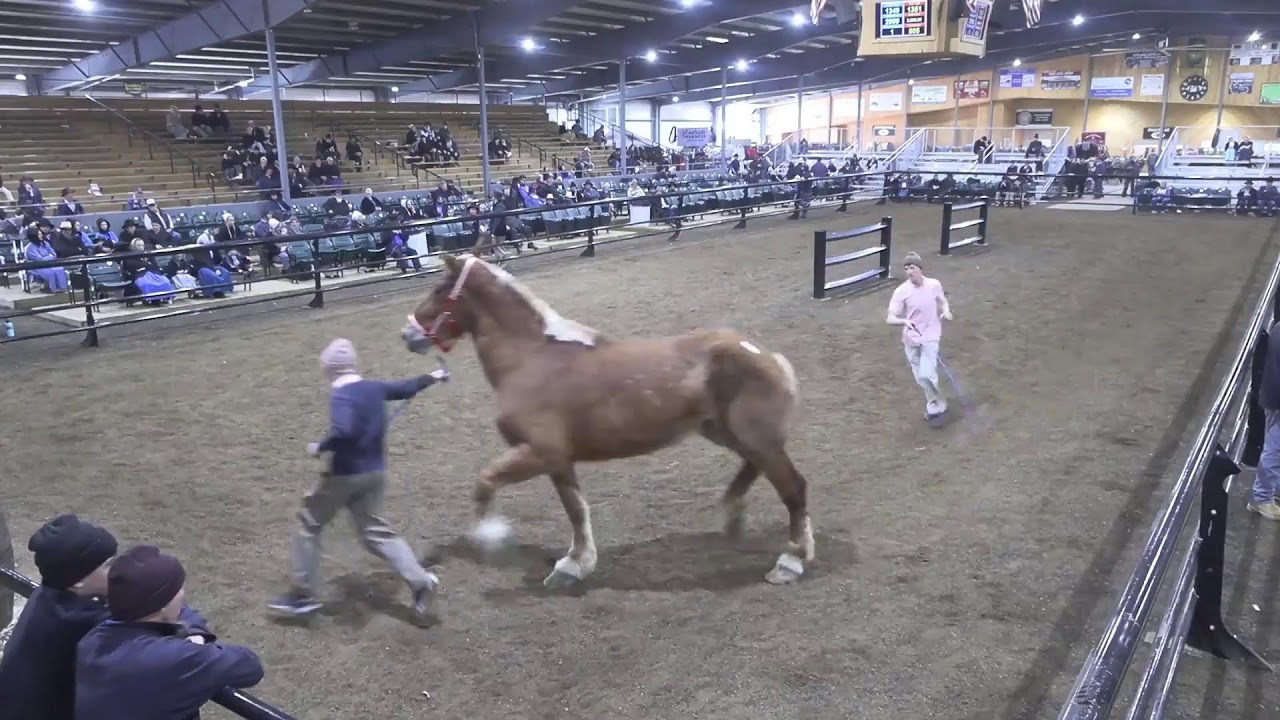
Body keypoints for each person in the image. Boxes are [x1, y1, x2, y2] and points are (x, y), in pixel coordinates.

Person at [267, 338, 449, 617]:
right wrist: (434, 376)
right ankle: (422, 582)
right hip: (375, 474)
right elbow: (406, 387)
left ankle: (303, 595)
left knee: (309, 525)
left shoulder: (341, 395)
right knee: (374, 532)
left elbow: (344, 431)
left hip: (344, 475)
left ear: (331, 370)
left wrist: (320, 447)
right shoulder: (373, 388)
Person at [75, 545, 263, 720]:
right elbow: (249, 666)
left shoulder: (91, 640)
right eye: (178, 590)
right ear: (163, 607)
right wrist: (193, 644)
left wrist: (193, 634)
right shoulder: (173, 658)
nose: (183, 595)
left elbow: (185, 614)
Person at [0, 514, 116, 720]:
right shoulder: (85, 623)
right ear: (79, 580)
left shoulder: (48, 593)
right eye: (108, 564)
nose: (116, 570)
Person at [886, 252, 953, 422]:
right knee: (921, 378)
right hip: (911, 339)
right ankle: (936, 402)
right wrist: (903, 321)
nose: (909, 271)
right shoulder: (901, 291)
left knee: (927, 374)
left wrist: (946, 311)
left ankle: (936, 409)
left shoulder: (933, 284)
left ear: (920, 269)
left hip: (931, 335)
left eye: (912, 267)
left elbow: (942, 300)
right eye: (906, 268)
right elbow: (889, 318)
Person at [1249, 322, 1280, 520]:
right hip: (1277, 399)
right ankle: (1261, 498)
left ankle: (1272, 490)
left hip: (1272, 396)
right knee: (1275, 448)